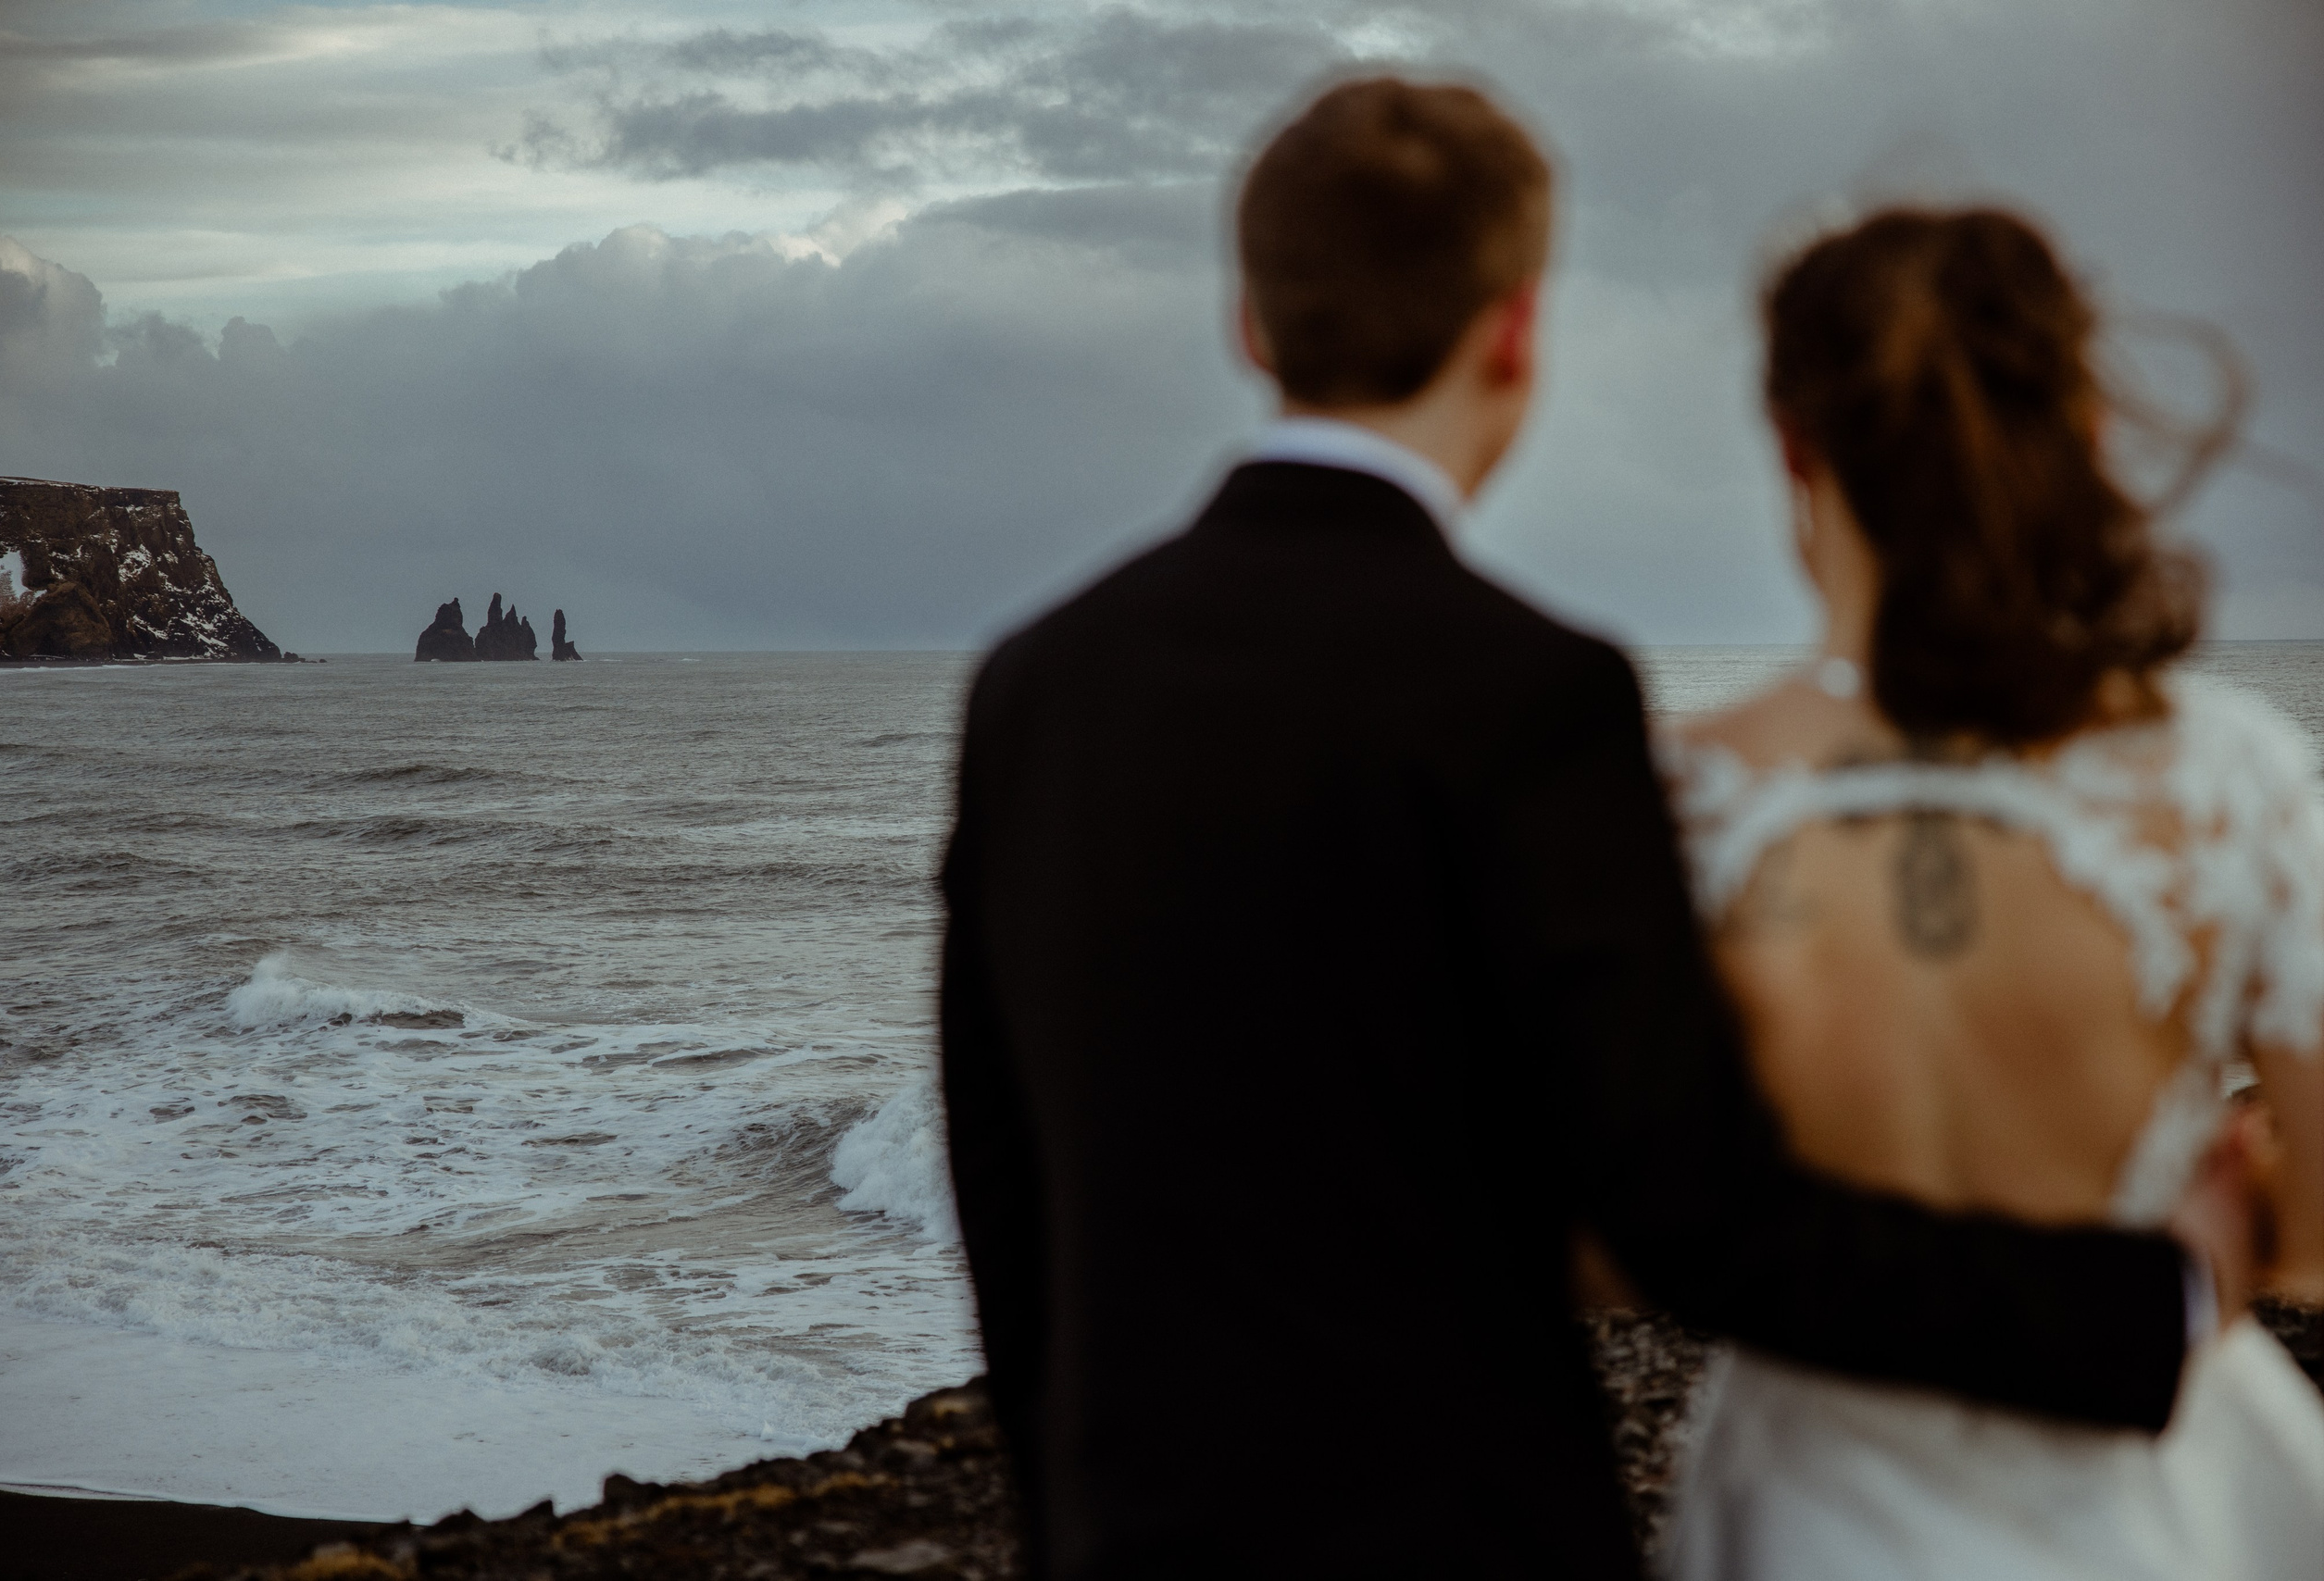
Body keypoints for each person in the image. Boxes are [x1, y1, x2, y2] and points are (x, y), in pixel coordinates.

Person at [938, 80, 2246, 1579]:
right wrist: (2160, 1304)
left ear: (1251, 322)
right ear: (1515, 330)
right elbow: (1700, 1221)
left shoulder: (1038, 680)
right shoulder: (1531, 690)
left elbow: (1005, 1174)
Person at [1662, 206, 2324, 1580]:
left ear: (1796, 449)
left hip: (1814, 1510)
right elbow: (2317, 1222)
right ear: (2084, 435)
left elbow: (1630, 1226)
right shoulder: (2235, 780)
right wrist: (2215, 1248)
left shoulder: (1686, 797)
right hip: (2157, 1492)